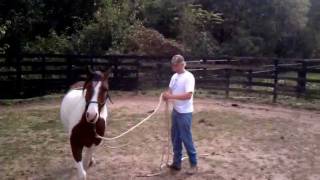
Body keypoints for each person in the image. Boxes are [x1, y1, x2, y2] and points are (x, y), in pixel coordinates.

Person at [163, 54, 198, 175]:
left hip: (185, 113)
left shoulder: (189, 77)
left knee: (186, 138)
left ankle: (194, 164)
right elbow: (170, 90)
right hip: (176, 111)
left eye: (176, 65)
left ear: (183, 64)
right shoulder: (174, 77)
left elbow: (188, 95)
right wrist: (166, 95)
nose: (174, 67)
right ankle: (177, 163)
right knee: (175, 138)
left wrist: (171, 96)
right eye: (173, 65)